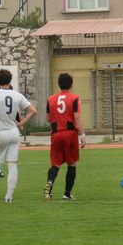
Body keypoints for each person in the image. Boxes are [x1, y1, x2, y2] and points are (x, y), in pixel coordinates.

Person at [0, 69, 37, 203]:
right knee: (12, 165)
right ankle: (8, 197)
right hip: (13, 133)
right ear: (10, 80)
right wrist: (21, 123)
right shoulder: (17, 95)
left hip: (0, 132)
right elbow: (33, 111)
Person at [43, 73, 86, 201]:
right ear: (71, 84)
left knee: (55, 163)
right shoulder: (74, 98)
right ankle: (67, 194)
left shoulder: (50, 99)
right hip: (70, 133)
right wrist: (82, 134)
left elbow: (48, 118)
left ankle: (49, 184)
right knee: (71, 163)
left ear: (59, 84)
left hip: (56, 134)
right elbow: (77, 117)